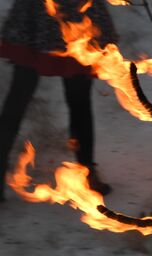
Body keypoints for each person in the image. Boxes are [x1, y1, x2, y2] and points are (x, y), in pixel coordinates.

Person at [0, 0, 118, 201]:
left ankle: (87, 171)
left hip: (76, 12)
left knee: (78, 98)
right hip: (37, 13)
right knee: (20, 95)